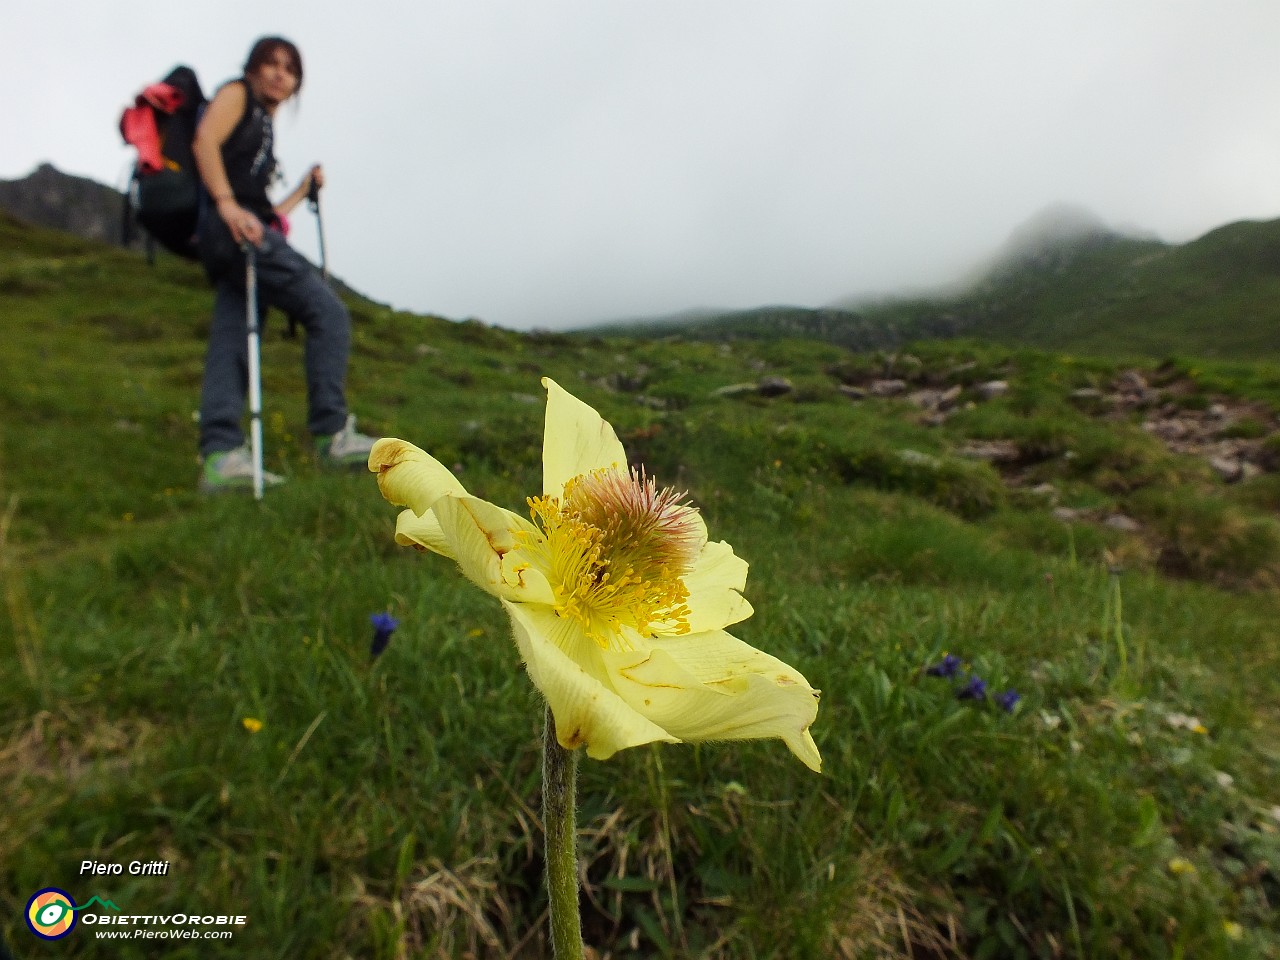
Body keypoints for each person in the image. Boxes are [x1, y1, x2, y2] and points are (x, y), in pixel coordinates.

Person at [191, 35, 374, 493]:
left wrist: (300, 191)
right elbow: (203, 141)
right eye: (271, 64)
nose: (279, 74)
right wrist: (228, 205)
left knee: (232, 334)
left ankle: (221, 455)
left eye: (289, 69)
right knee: (328, 313)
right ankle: (332, 435)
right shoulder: (237, 95)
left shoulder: (261, 128)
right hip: (233, 228)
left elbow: (269, 215)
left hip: (237, 232)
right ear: (253, 68)